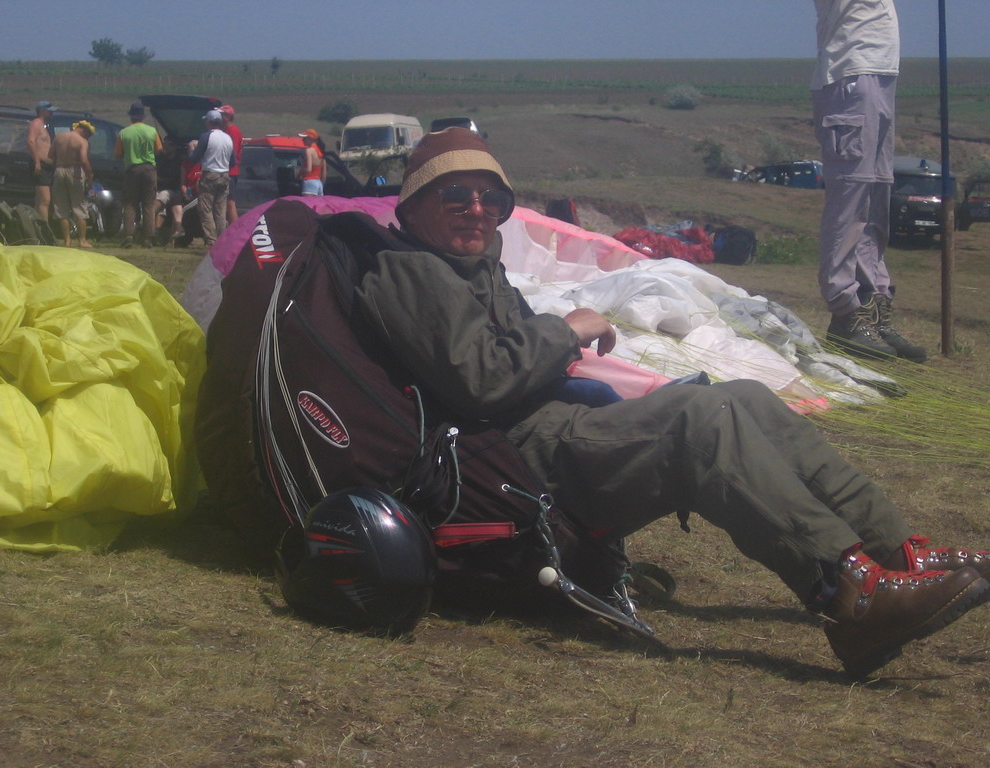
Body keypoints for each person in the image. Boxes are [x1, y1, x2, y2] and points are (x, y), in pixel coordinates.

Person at [353, 127, 990, 677]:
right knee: (699, 417)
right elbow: (480, 382)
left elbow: (508, 361)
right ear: (415, 203)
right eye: (456, 196)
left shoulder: (472, 268)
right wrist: (564, 330)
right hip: (508, 459)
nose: (477, 211)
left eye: (491, 199)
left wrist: (558, 347)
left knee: (746, 397)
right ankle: (850, 594)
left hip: (551, 428)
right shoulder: (409, 273)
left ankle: (897, 550)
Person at [812, 0, 926, 362]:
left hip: (880, 71)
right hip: (851, 72)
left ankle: (873, 307)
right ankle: (845, 311)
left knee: (875, 198)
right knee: (851, 199)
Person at [114, 101, 162, 247]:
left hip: (132, 170)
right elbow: (159, 149)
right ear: (143, 116)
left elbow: (117, 154)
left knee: (130, 204)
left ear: (131, 116)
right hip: (149, 169)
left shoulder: (124, 133)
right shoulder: (152, 131)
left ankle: (129, 235)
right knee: (148, 204)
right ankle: (148, 237)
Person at [188, 109, 234, 248]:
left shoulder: (206, 137)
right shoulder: (228, 138)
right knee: (220, 210)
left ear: (208, 122)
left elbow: (194, 159)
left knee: (205, 209)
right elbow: (232, 162)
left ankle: (211, 240)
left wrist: (191, 149)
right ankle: (221, 240)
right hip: (224, 175)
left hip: (210, 175)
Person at [47, 120, 95, 248]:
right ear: (84, 130)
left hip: (59, 170)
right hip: (75, 171)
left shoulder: (59, 137)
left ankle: (67, 240)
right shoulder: (82, 141)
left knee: (61, 208)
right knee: (79, 206)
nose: (88, 137)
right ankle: (82, 240)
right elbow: (84, 160)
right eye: (89, 134)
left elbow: (50, 156)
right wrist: (89, 175)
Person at [27, 101, 57, 221]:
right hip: (41, 164)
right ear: (43, 111)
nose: (51, 113)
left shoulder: (44, 126)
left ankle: (36, 225)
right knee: (45, 200)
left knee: (40, 200)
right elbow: (30, 141)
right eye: (49, 111)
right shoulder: (36, 123)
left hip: (48, 165)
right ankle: (44, 227)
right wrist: (37, 162)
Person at [153, 141, 187, 247]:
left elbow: (178, 179)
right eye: (165, 145)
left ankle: (149, 216)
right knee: (161, 204)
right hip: (161, 188)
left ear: (174, 147)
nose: (165, 147)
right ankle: (156, 232)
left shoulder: (178, 162)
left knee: (163, 196)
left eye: (168, 145)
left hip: (173, 189)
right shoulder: (162, 159)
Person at [219, 105, 243, 225]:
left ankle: (236, 229)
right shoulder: (225, 131)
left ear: (227, 117)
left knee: (230, 202)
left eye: (221, 114)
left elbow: (232, 154)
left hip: (230, 171)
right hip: (225, 170)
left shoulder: (233, 131)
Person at [298, 129, 325, 196]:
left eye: (304, 138)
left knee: (307, 202)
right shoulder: (320, 152)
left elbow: (309, 169)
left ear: (310, 139)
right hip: (318, 183)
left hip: (309, 182)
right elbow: (323, 174)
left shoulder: (309, 151)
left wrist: (300, 172)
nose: (302, 140)